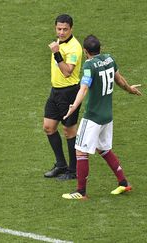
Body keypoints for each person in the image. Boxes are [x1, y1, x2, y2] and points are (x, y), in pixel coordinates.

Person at [61, 35, 142, 199]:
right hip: (107, 116)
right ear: (100, 48)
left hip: (93, 117)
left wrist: (73, 107)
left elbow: (83, 89)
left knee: (81, 151)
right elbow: (119, 80)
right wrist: (130, 89)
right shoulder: (109, 59)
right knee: (104, 148)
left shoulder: (89, 66)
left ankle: (80, 192)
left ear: (85, 51)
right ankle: (123, 183)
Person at [43, 14, 83, 180]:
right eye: (59, 29)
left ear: (71, 29)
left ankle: (73, 171)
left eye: (65, 29)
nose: (61, 32)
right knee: (48, 127)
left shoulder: (74, 48)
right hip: (56, 91)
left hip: (70, 93)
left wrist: (57, 54)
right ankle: (61, 165)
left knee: (69, 131)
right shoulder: (58, 42)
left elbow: (68, 72)